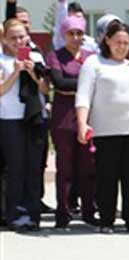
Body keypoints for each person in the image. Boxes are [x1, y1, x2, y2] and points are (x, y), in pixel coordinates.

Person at [76, 22, 129, 234]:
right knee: (107, 176)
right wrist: (82, 123)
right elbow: (84, 96)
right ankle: (106, 220)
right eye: (118, 42)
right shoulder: (94, 63)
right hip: (105, 130)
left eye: (126, 43)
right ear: (107, 41)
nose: (122, 46)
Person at [47, 15, 97, 229]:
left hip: (87, 117)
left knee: (88, 166)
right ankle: (63, 213)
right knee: (65, 167)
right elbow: (58, 82)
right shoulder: (55, 56)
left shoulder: (91, 56)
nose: (75, 37)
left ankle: (88, 211)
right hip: (64, 117)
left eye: (79, 33)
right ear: (63, 34)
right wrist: (85, 83)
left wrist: (74, 85)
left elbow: (98, 82)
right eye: (71, 33)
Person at [0, 18, 48, 232]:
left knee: (34, 168)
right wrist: (15, 72)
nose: (18, 41)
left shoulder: (36, 57)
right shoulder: (1, 60)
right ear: (4, 39)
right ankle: (15, 214)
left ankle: (32, 214)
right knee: (15, 169)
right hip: (10, 119)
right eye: (13, 38)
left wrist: (32, 72)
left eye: (22, 37)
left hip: (35, 118)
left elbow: (46, 89)